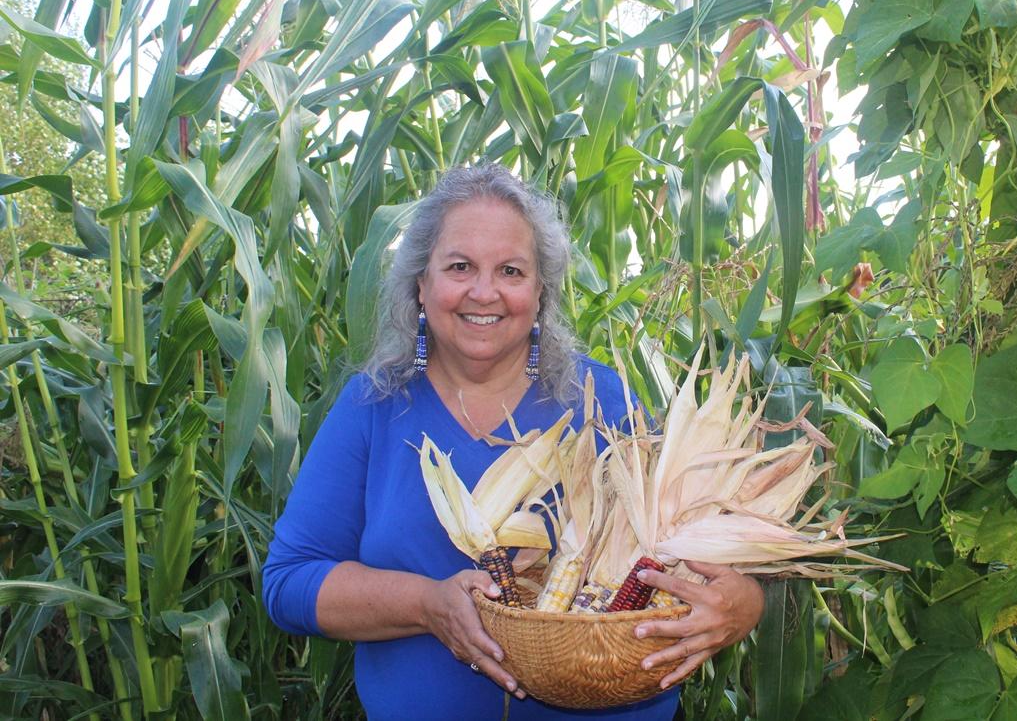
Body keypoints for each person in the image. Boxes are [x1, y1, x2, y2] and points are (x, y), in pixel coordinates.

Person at [262, 164, 765, 720]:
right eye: (459, 266)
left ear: (540, 292)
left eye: (511, 270)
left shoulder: (605, 401)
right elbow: (290, 582)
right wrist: (429, 606)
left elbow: (707, 549)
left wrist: (741, 606)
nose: (485, 291)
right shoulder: (373, 407)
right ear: (420, 285)